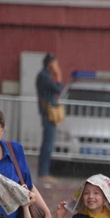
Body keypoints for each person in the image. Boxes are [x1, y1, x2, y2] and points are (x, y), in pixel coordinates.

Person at [36, 53, 64, 184]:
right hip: (48, 114)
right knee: (47, 144)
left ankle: (44, 171)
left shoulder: (45, 76)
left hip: (48, 114)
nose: (57, 67)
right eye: (55, 64)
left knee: (48, 143)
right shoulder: (44, 76)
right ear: (49, 63)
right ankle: (43, 173)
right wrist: (58, 76)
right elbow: (58, 88)